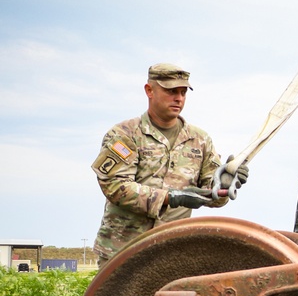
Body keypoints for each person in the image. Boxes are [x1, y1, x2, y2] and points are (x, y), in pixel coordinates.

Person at [91, 63, 248, 269]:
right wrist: (171, 197)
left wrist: (225, 184)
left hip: (172, 252)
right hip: (123, 250)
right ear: (149, 90)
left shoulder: (199, 140)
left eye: (183, 92)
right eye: (171, 91)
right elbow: (115, 187)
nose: (179, 98)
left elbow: (212, 196)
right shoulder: (124, 135)